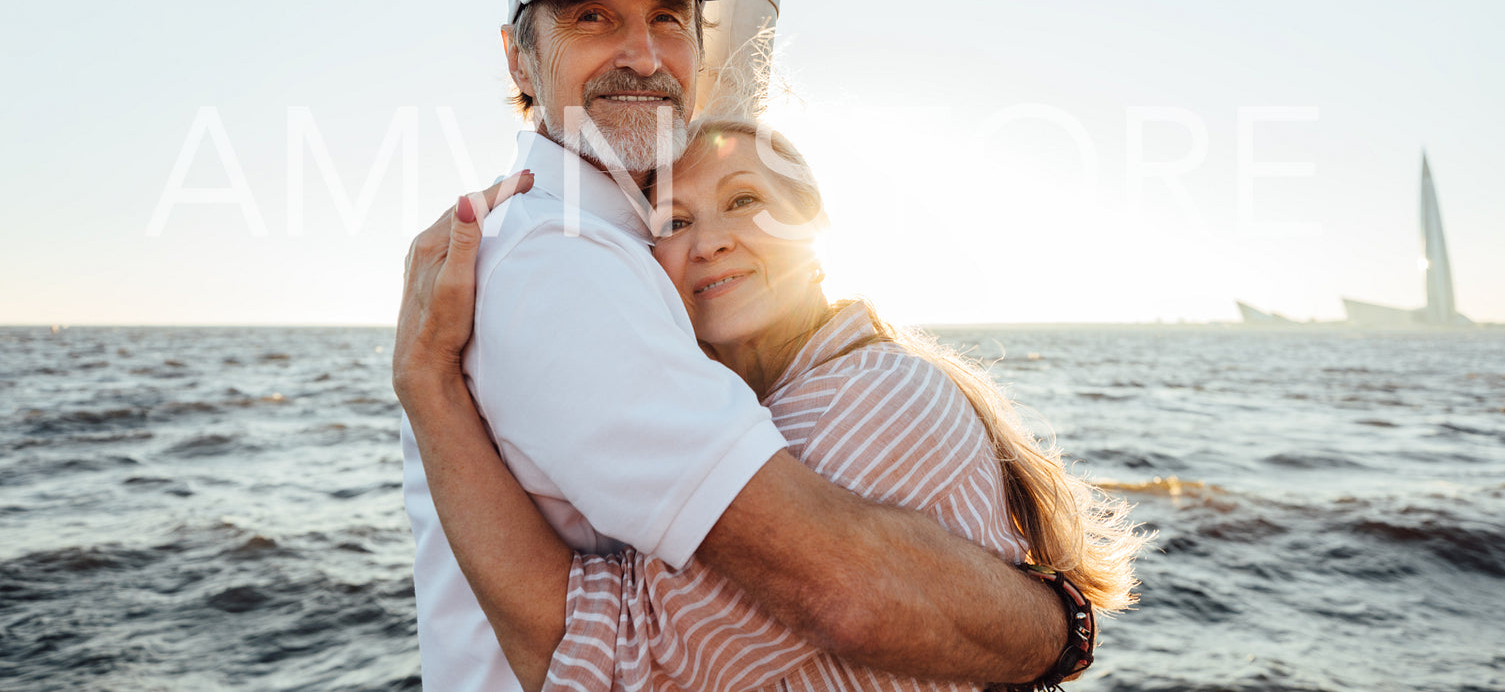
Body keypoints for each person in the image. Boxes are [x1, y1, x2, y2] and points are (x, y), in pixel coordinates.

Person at [398, 0, 1084, 692]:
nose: (643, 56)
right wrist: (1057, 630)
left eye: (667, 18)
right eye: (592, 16)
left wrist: (426, 387)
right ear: (518, 56)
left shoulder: (600, 239)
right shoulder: (563, 260)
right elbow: (839, 588)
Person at [397, 116, 1143, 691]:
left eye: (743, 200)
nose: (710, 241)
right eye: (674, 222)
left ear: (812, 226)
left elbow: (608, 660)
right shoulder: (768, 402)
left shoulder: (874, 398)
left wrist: (429, 386)